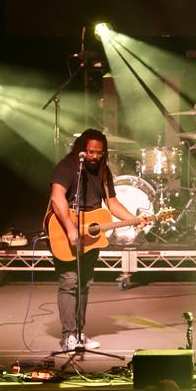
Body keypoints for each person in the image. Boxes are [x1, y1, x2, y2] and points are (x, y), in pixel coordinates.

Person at [48, 128, 147, 351]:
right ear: (81, 150)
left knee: (84, 284)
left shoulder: (103, 172)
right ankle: (68, 336)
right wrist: (71, 229)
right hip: (65, 228)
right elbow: (57, 198)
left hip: (90, 232)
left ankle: (79, 334)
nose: (94, 156)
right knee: (69, 282)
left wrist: (134, 219)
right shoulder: (67, 166)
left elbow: (111, 203)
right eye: (90, 152)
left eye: (99, 153)